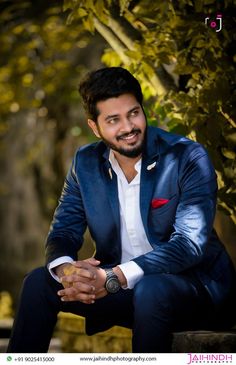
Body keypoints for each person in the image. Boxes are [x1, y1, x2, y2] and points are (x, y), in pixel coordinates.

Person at [7, 67, 236, 353]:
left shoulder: (186, 156)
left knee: (151, 289)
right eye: (113, 120)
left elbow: (189, 244)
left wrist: (114, 276)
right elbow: (64, 231)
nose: (128, 127)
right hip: (120, 291)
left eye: (133, 113)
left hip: (194, 291)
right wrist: (68, 272)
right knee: (39, 282)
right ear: (95, 127)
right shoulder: (85, 163)